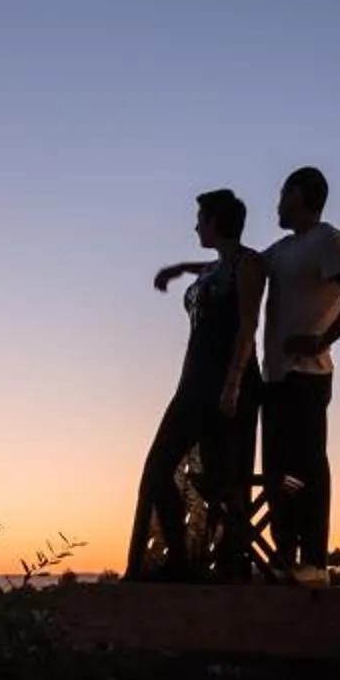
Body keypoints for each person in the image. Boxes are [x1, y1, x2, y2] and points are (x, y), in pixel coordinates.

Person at [126, 189, 262, 581]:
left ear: (216, 222)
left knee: (221, 480)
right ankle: (181, 562)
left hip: (226, 385)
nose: (195, 225)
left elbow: (249, 325)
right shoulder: (216, 266)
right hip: (192, 384)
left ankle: (226, 566)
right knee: (158, 469)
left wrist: (232, 385)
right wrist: (178, 268)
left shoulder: (249, 264)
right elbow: (209, 265)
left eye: (201, 218)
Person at [256, 164, 340, 583]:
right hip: (276, 377)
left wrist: (322, 340)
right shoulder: (282, 250)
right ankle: (285, 556)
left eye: (282, 193)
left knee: (306, 466)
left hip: (308, 375)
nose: (277, 203)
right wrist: (185, 268)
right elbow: (245, 266)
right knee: (278, 471)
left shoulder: (327, 240)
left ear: (300, 195)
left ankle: (315, 560)